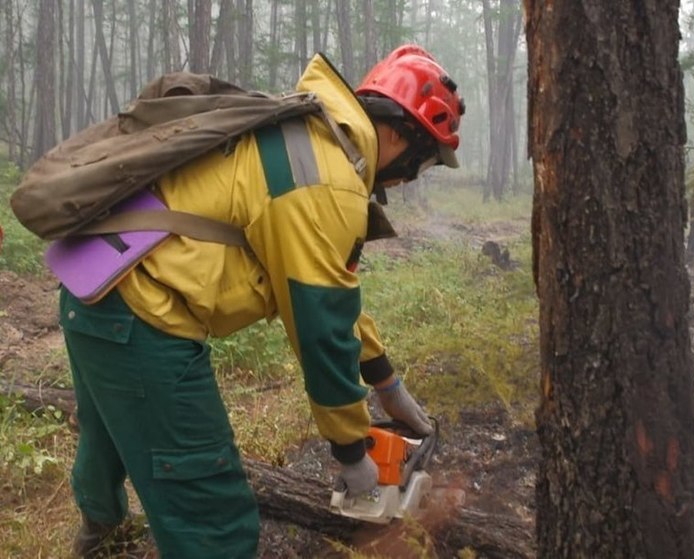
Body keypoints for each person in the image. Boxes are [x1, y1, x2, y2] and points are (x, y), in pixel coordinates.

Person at [62, 44, 464, 558]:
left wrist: (385, 381)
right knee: (216, 517)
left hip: (90, 288)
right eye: (423, 159)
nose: (412, 176)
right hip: (141, 316)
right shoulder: (329, 178)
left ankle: (100, 534)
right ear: (397, 132)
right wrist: (351, 449)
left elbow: (324, 288)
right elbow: (320, 323)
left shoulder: (309, 137)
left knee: (108, 434)